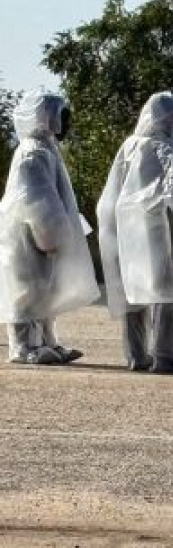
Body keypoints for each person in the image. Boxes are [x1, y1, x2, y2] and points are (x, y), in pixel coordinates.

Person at [97, 91, 173, 374]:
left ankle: (137, 355)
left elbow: (109, 197)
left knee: (132, 290)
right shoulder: (170, 153)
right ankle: (167, 355)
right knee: (166, 291)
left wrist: (111, 232)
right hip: (162, 230)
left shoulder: (128, 148)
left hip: (126, 230)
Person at [0, 88, 99, 364]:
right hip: (29, 234)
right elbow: (37, 199)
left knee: (45, 289)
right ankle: (23, 347)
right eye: (61, 116)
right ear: (45, 117)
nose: (65, 123)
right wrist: (49, 235)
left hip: (41, 233)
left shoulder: (46, 149)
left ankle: (47, 342)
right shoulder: (33, 152)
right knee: (27, 291)